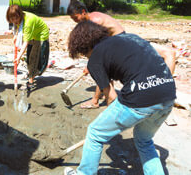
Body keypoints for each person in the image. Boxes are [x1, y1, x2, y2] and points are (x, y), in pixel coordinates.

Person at [65, 21, 176, 175]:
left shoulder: (95, 59)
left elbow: (111, 97)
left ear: (84, 46)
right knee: (144, 141)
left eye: (83, 54)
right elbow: (167, 54)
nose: (85, 57)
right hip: (168, 94)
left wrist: (114, 122)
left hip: (139, 98)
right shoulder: (131, 37)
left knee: (95, 133)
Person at [68, 0, 124, 108]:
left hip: (119, 40)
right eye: (72, 19)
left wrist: (90, 65)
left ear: (83, 12)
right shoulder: (91, 18)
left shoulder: (94, 21)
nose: (75, 21)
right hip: (113, 40)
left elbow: (97, 48)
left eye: (75, 18)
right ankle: (107, 92)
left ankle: (95, 101)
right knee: (103, 68)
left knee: (99, 68)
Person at [6, 5, 49, 88]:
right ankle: (31, 73)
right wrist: (14, 33)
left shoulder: (28, 23)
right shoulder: (19, 18)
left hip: (40, 35)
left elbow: (25, 42)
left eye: (16, 18)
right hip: (33, 33)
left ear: (20, 15)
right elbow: (17, 26)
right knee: (29, 56)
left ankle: (31, 81)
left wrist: (18, 57)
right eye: (12, 19)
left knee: (34, 57)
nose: (14, 21)